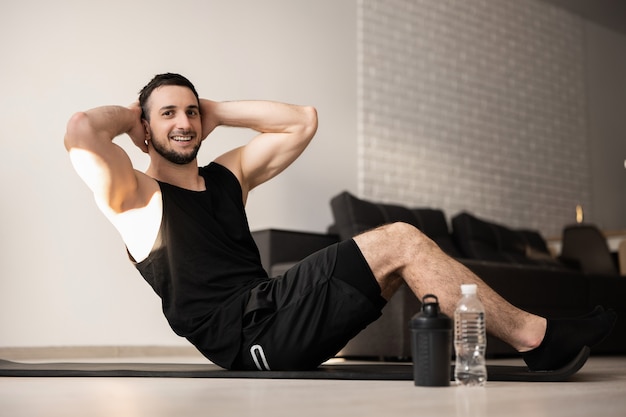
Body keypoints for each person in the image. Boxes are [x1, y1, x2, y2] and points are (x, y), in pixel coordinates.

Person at [64, 73, 616, 371]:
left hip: (273, 309)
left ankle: (478, 355)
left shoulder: (226, 176)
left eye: (191, 112)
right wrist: (134, 115)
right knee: (399, 238)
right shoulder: (136, 196)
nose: (184, 123)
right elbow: (83, 129)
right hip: (246, 335)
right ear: (146, 129)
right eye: (168, 114)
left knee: (400, 260)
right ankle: (536, 339)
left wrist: (220, 110)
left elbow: (302, 123)